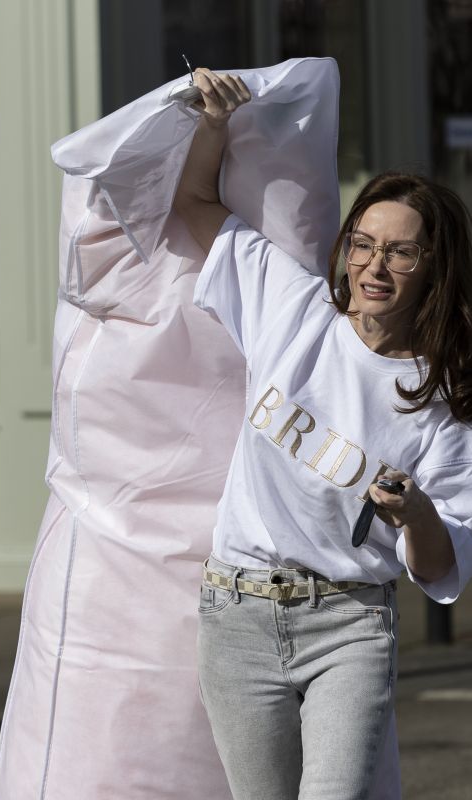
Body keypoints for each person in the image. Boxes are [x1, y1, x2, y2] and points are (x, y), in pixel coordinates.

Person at [174, 68, 472, 799]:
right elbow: (193, 204)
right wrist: (213, 123)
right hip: (235, 612)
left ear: (434, 267)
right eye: (362, 244)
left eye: (401, 252)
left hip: (348, 623)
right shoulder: (292, 307)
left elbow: (440, 569)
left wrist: (417, 513)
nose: (374, 265)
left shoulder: (442, 401)